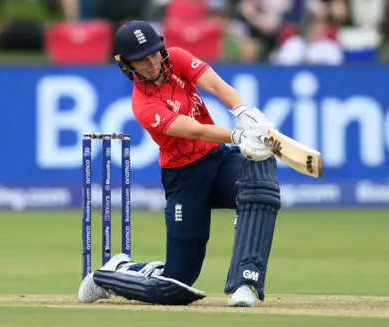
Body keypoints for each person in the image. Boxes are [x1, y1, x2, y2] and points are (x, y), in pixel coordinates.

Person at [77, 20, 281, 307]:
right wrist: (237, 134)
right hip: (184, 177)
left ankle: (245, 283)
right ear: (127, 66)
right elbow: (195, 129)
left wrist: (243, 111)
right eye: (142, 60)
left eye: (154, 54)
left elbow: (215, 84)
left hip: (218, 159)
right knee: (175, 286)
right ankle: (112, 274)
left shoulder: (176, 58)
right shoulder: (143, 105)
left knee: (260, 183)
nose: (153, 63)